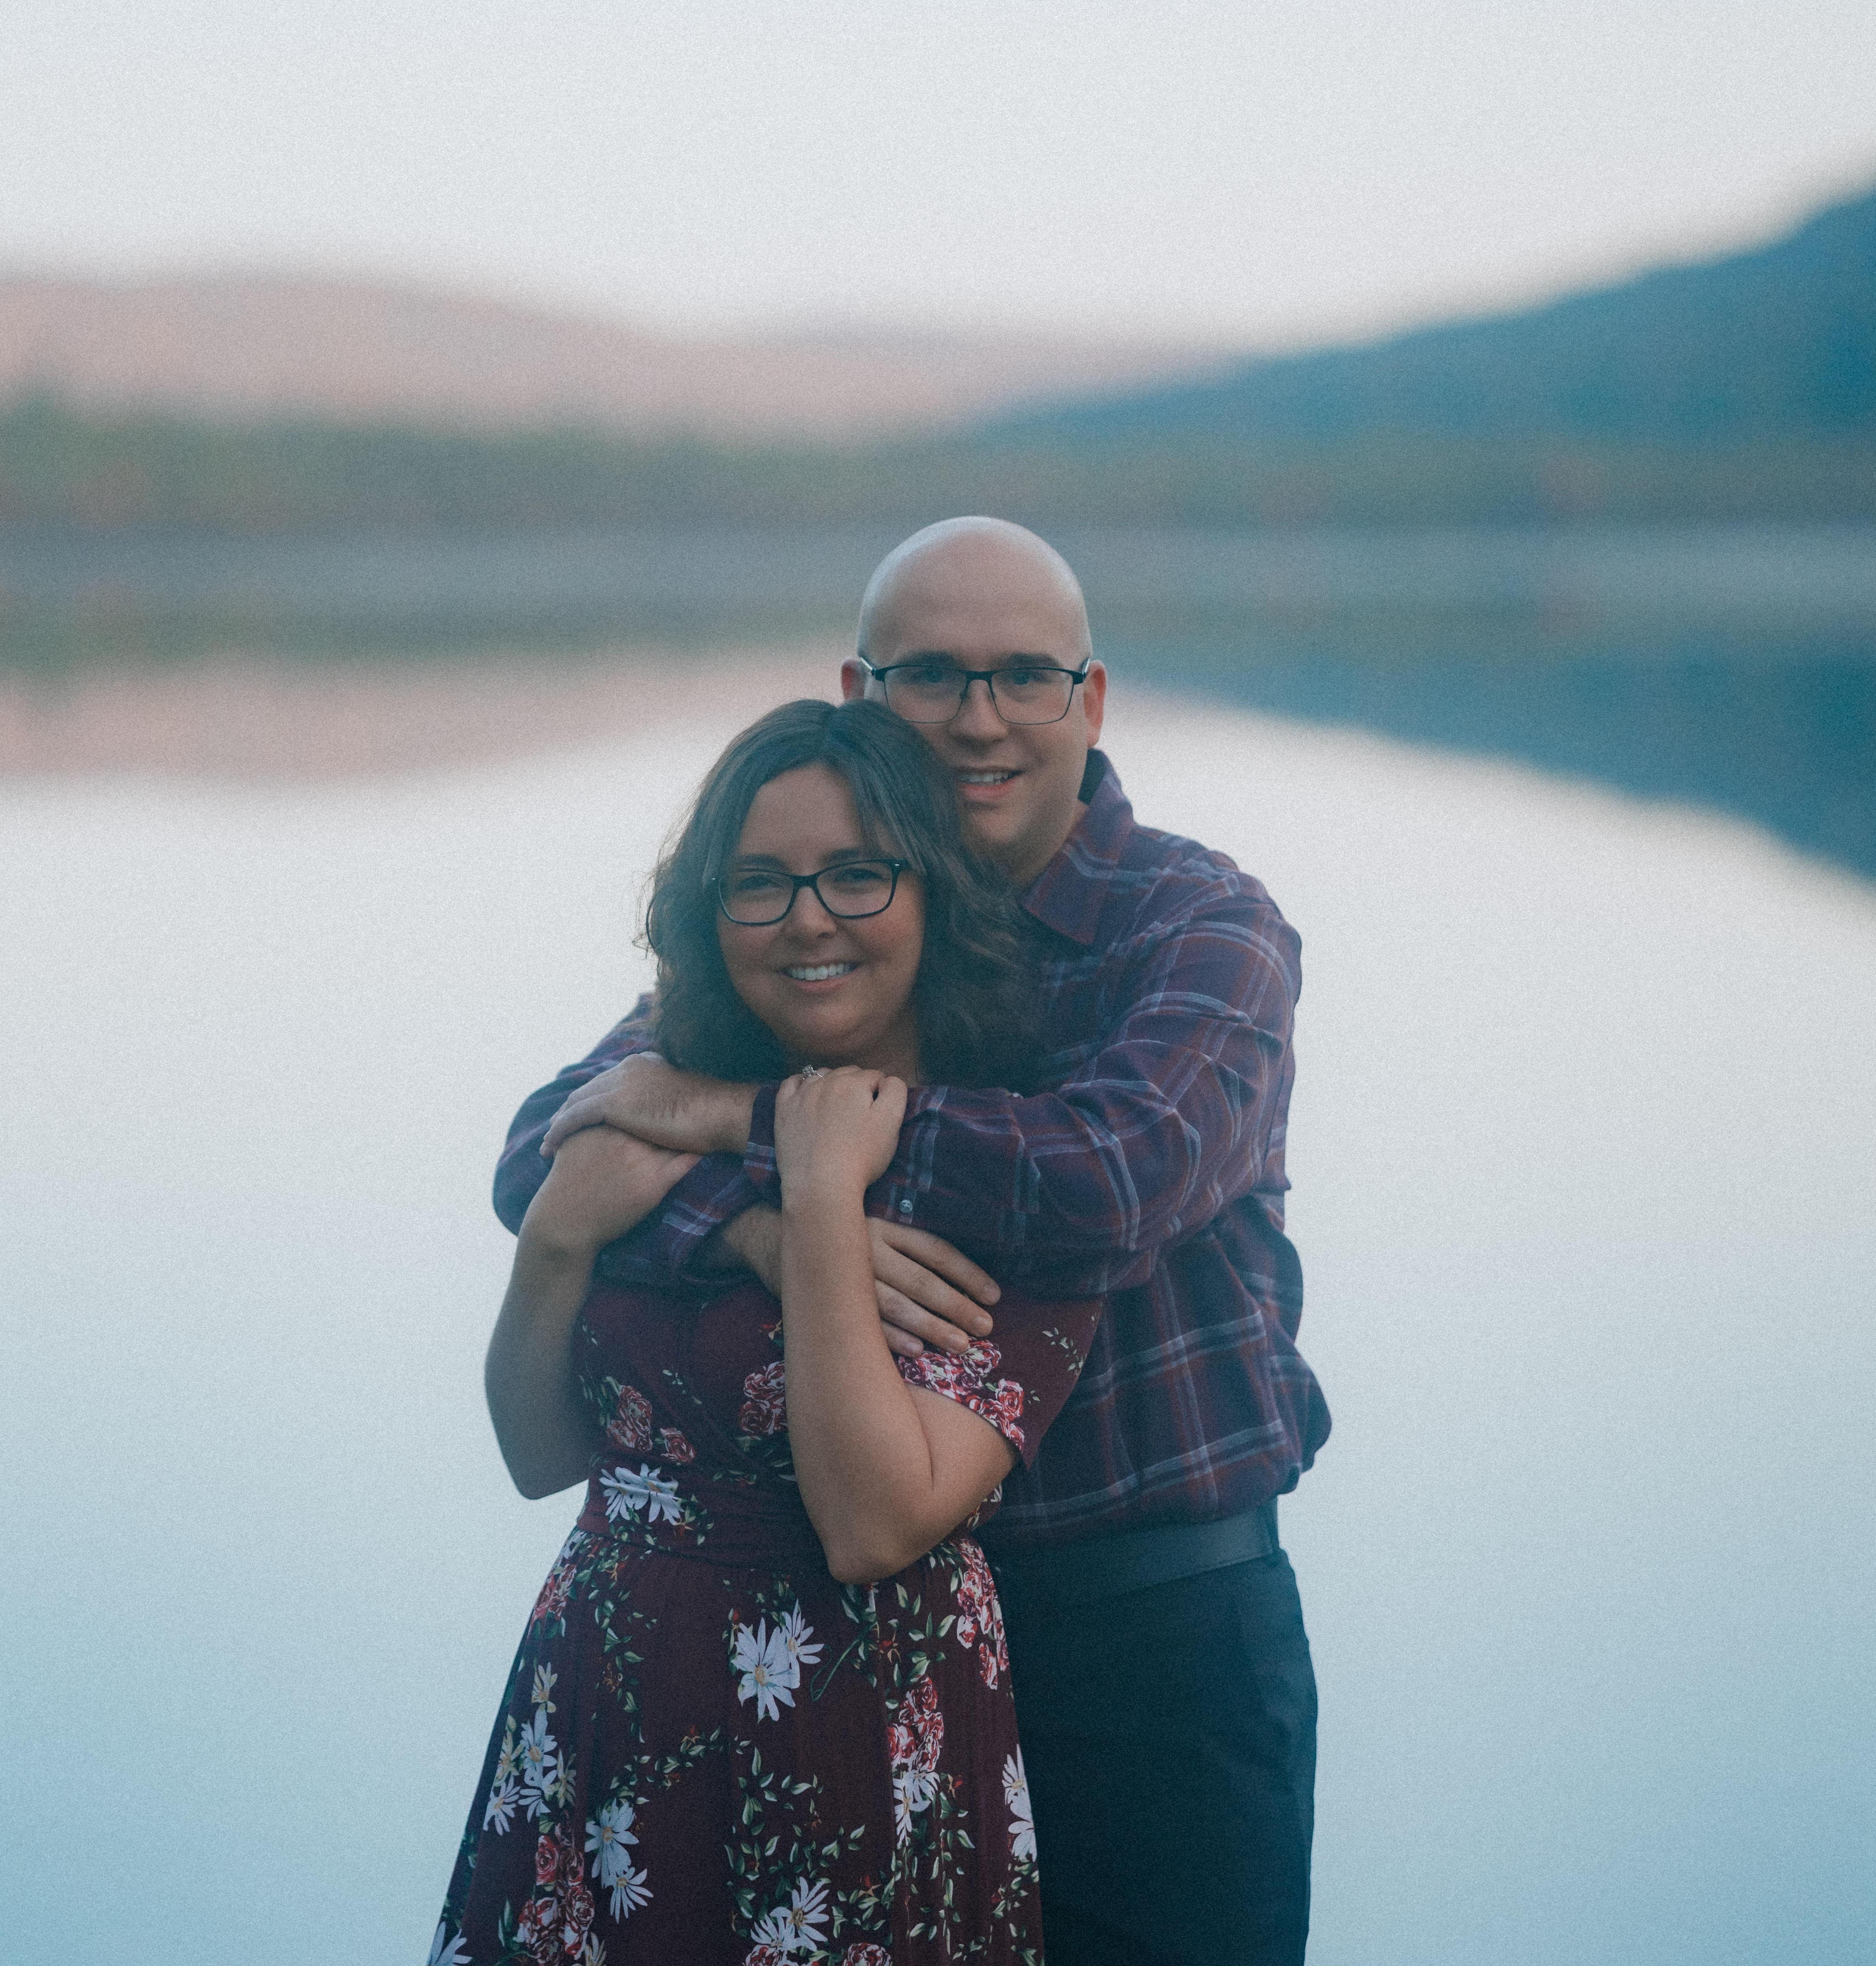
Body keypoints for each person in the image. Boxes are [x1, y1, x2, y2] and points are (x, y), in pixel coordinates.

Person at [496, 518, 1331, 1966]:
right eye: (933, 676)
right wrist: (764, 1227)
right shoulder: (824, 912)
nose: (981, 718)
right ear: (860, 691)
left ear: (1095, 698)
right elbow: (549, 1150)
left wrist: (755, 1123)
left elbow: (1104, 1186)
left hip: (1142, 1635)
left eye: (1026, 676)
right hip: (856, 1650)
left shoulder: (1198, 926)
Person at [433, 697, 1102, 1966]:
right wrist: (558, 1243)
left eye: (858, 874)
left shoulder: (1017, 1180)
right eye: (759, 883)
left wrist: (815, 1204)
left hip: (856, 1745)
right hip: (598, 1716)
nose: (808, 919)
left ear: (933, 894)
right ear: (708, 911)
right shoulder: (655, 1110)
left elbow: (873, 1525)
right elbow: (541, 1455)